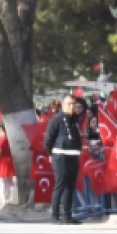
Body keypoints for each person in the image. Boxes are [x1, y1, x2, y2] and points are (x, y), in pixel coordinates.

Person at [44, 95, 87, 225]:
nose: (72, 106)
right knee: (60, 185)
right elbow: (48, 140)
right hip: (60, 156)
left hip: (73, 157)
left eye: (74, 104)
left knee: (70, 186)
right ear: (63, 105)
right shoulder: (56, 120)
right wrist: (50, 154)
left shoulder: (75, 120)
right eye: (69, 104)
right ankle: (55, 215)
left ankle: (67, 215)